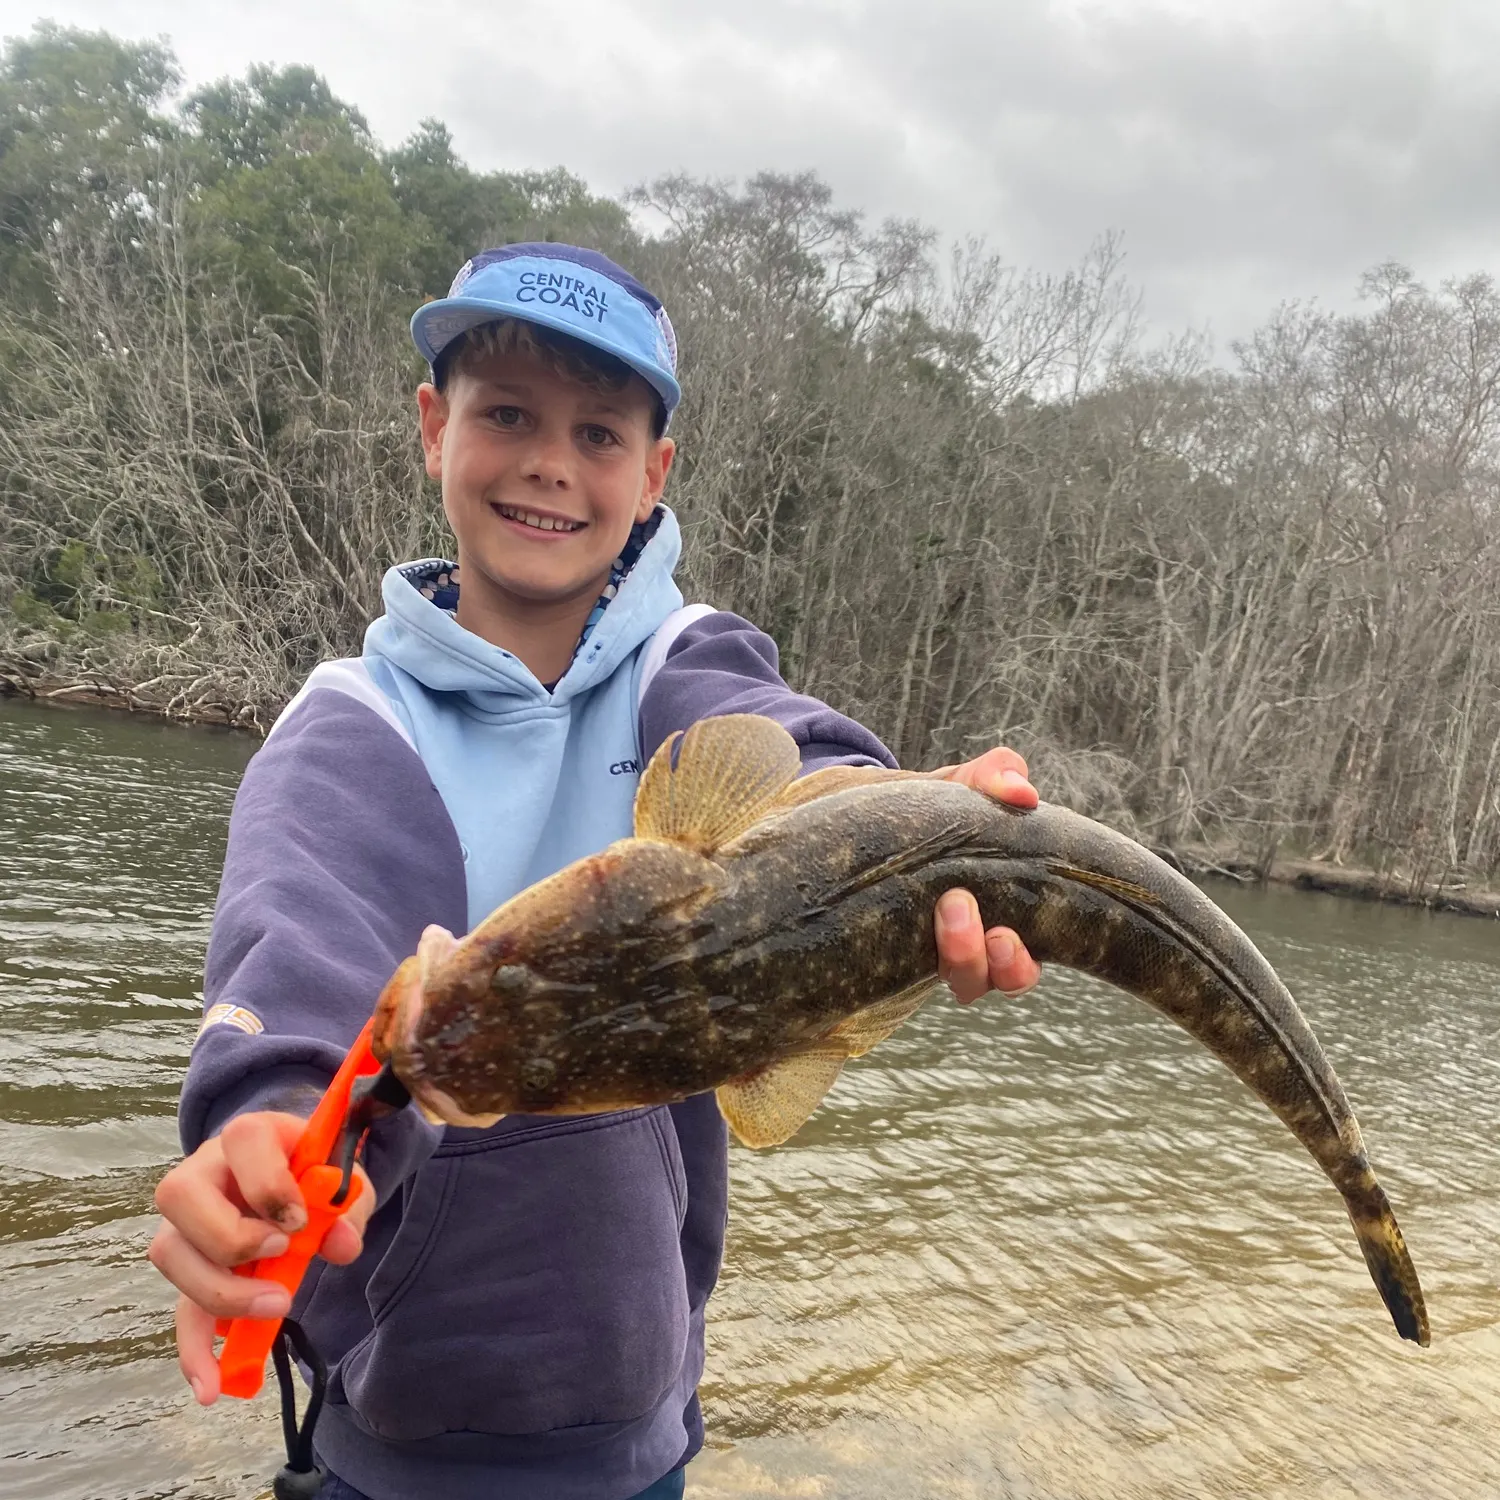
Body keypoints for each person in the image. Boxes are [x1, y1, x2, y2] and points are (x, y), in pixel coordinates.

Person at [147, 244, 1043, 1500]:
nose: (551, 463)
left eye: (600, 433)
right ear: (434, 426)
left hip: (643, 1427)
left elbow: (789, 747)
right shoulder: (353, 728)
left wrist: (911, 825)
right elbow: (302, 947)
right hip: (394, 1438)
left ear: (653, 471)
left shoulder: (688, 660)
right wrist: (270, 1130)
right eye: (507, 414)